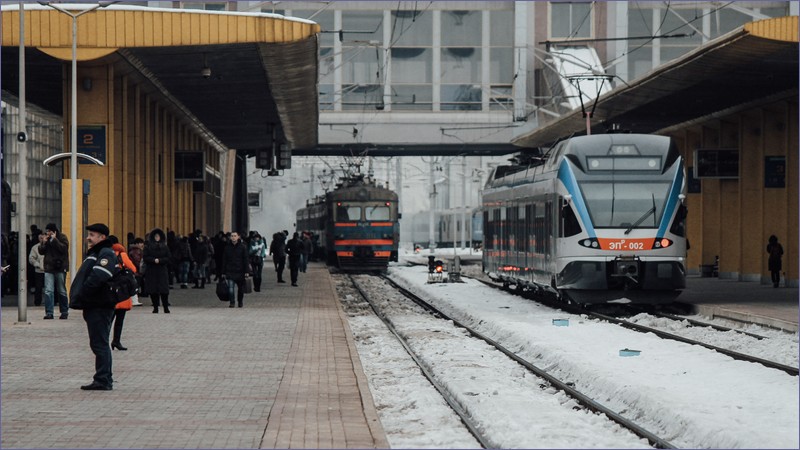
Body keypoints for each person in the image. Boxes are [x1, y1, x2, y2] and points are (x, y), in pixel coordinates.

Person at [68, 223, 118, 391]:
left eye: (92, 235)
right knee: (98, 342)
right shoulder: (98, 252)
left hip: (99, 305)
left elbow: (99, 276)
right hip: (95, 305)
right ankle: (102, 377)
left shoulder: (105, 253)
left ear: (102, 237)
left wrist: (84, 293)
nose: (88, 238)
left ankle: (103, 379)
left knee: (100, 343)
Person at [108, 236, 136, 351]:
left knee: (108, 319)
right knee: (120, 319)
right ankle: (116, 341)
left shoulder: (106, 254)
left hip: (110, 289)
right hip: (122, 290)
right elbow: (133, 268)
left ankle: (104, 340)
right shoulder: (121, 254)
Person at [39, 223, 69, 320]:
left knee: (61, 290)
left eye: (49, 231)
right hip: (49, 267)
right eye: (47, 231)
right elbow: (41, 251)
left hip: (60, 267)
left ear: (54, 231)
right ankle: (49, 312)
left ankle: (64, 311)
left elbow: (63, 249)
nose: (48, 233)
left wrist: (55, 240)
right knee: (48, 291)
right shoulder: (46, 239)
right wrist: (43, 243)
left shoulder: (62, 237)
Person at [143, 228, 171, 313]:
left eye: (158, 236)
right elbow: (145, 257)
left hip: (162, 270)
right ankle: (155, 307)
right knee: (153, 290)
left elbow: (168, 258)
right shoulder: (148, 247)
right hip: (152, 270)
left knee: (164, 290)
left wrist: (160, 260)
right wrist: (153, 260)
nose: (157, 238)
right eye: (155, 236)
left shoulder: (165, 247)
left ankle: (165, 306)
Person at [222, 231, 251, 308]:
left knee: (240, 289)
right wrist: (223, 272)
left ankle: (240, 301)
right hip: (230, 271)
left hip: (240, 271)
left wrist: (247, 271)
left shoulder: (243, 247)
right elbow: (224, 260)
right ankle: (232, 302)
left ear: (238, 237)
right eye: (232, 236)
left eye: (235, 236)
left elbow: (246, 260)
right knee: (230, 289)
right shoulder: (227, 247)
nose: (233, 237)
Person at [27, 231, 46, 306]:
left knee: (50, 288)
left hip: (49, 270)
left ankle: (51, 302)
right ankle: (37, 302)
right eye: (40, 238)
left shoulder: (50, 246)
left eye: (43, 238)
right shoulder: (35, 247)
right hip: (39, 270)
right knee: (38, 288)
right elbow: (31, 258)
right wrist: (38, 265)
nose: (42, 239)